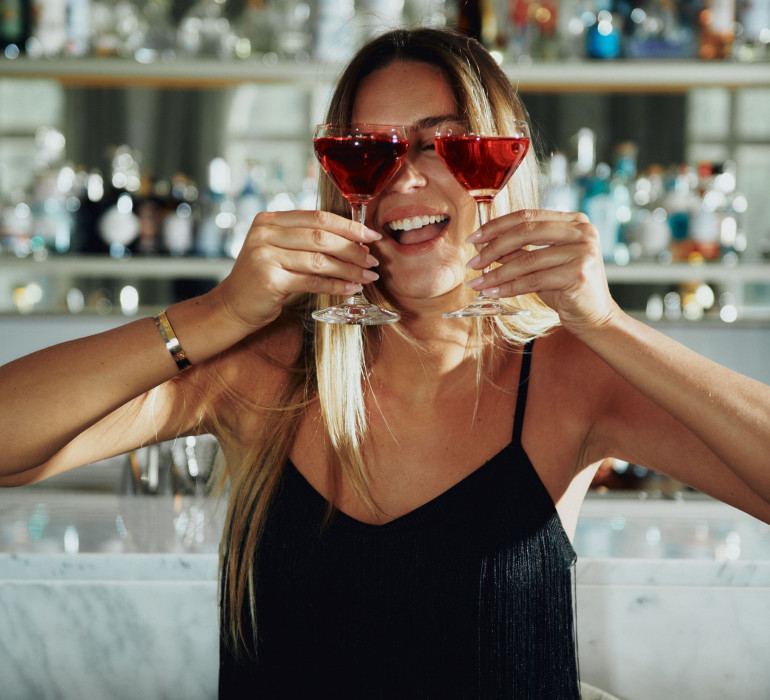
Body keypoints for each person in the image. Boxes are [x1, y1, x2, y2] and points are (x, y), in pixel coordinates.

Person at [1, 27, 769, 699]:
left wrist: (606, 324)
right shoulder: (263, 368)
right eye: (375, 146)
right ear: (343, 175)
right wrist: (217, 313)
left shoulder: (567, 373)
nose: (404, 175)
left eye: (440, 141)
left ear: (495, 163)